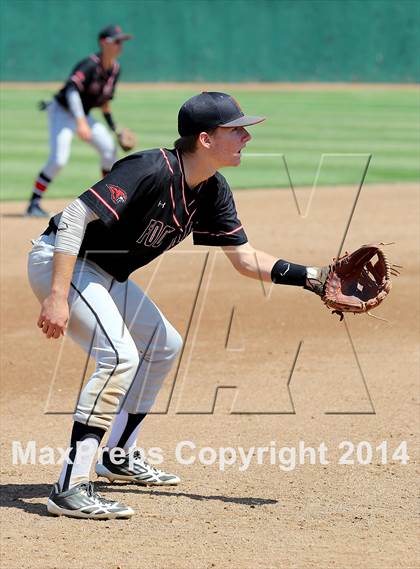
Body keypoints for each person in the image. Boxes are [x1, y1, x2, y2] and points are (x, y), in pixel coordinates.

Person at [27, 91, 327, 519]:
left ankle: (118, 455)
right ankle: (70, 487)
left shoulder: (211, 190)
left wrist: (314, 277)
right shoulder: (150, 168)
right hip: (64, 260)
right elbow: (75, 217)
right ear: (205, 140)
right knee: (118, 358)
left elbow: (245, 259)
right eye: (236, 129)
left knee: (164, 343)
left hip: (105, 274)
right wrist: (57, 294)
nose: (246, 137)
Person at [25, 24, 132, 217]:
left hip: (82, 113)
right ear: (103, 43)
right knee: (59, 159)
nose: (120, 45)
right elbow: (72, 90)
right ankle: (34, 204)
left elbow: (105, 103)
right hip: (63, 111)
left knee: (109, 149)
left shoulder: (115, 70)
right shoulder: (89, 64)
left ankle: (106, 201)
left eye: (121, 41)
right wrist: (81, 121)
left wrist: (114, 129)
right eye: (116, 41)